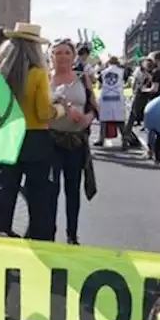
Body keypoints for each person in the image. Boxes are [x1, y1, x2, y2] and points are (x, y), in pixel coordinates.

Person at [0, 24, 59, 240]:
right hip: (35, 138)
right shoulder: (37, 74)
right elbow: (43, 112)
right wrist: (61, 109)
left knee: (5, 190)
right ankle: (41, 240)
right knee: (38, 193)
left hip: (8, 137)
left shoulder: (0, 73)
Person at [48, 38, 97, 246]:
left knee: (72, 189)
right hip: (51, 139)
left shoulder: (82, 78)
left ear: (73, 56)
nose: (62, 57)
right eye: (58, 53)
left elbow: (94, 106)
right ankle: (48, 233)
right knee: (50, 189)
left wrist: (87, 118)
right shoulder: (45, 79)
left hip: (76, 141)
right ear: (51, 57)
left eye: (67, 53)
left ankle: (72, 235)